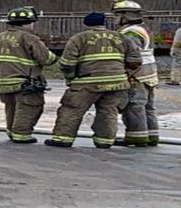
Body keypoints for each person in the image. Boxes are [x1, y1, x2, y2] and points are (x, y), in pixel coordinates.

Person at [45, 11, 142, 148]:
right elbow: (136, 60)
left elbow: (67, 63)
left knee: (72, 109)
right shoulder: (121, 37)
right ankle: (104, 141)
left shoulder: (79, 38)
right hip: (117, 83)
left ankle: (63, 139)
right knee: (108, 111)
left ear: (85, 24)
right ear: (103, 23)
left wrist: (71, 78)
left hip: (87, 83)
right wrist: (124, 73)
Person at [0, 7, 57, 144]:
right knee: (30, 107)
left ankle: (11, 131)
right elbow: (46, 59)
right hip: (26, 82)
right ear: (27, 23)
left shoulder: (0, 37)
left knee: (11, 108)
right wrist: (52, 55)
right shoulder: (29, 38)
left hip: (5, 81)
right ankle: (21, 134)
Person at [112, 0, 159, 146]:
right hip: (148, 74)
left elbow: (131, 55)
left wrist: (124, 72)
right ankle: (152, 136)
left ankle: (137, 137)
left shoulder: (130, 33)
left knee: (134, 106)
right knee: (147, 107)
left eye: (116, 15)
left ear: (126, 16)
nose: (114, 18)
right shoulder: (142, 29)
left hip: (136, 74)